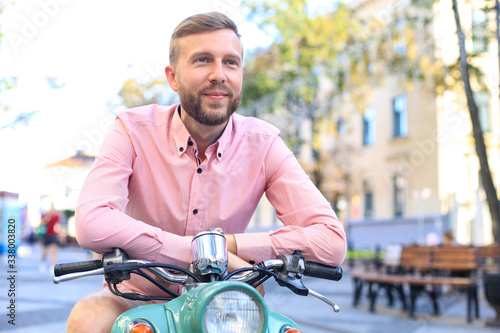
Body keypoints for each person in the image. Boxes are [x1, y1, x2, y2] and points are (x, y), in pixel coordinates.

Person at [67, 11, 346, 332]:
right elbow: (92, 222)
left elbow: (331, 241)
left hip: (228, 303)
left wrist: (231, 246)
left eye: (231, 62)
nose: (219, 74)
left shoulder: (265, 143)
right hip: (136, 299)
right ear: (172, 77)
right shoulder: (132, 129)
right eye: (202, 60)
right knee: (90, 318)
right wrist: (196, 251)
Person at [39, 203, 61, 273]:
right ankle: (43, 264)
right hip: (46, 235)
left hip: (53, 235)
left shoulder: (56, 216)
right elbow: (41, 223)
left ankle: (52, 266)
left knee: (54, 251)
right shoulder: (45, 215)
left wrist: (59, 234)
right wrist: (46, 219)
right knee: (45, 251)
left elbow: (58, 225)